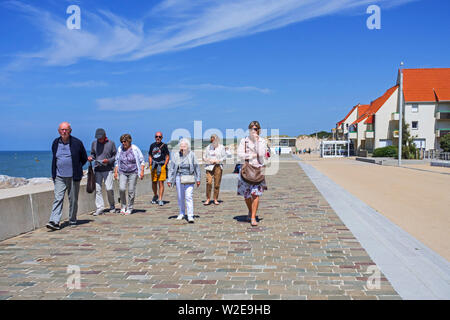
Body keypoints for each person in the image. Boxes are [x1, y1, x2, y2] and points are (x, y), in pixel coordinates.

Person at [46, 122, 88, 231]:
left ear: (70, 131)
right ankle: (54, 221)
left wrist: (77, 167)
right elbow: (55, 158)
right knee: (58, 198)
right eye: (62, 130)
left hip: (73, 177)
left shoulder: (77, 143)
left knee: (73, 200)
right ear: (59, 131)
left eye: (66, 130)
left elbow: (83, 158)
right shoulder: (55, 142)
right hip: (59, 176)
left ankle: (72, 219)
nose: (64, 132)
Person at [237, 121, 268, 227]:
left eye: (255, 129)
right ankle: (250, 210)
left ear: (258, 130)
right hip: (246, 169)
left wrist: (256, 141)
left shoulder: (262, 141)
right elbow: (240, 154)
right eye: (251, 129)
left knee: (255, 194)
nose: (253, 131)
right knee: (246, 195)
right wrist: (251, 155)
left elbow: (261, 154)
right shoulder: (244, 141)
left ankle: (253, 217)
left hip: (258, 170)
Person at [167, 138, 201, 223]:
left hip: (189, 177)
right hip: (179, 177)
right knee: (180, 197)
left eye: (184, 146)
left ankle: (190, 215)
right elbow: (171, 168)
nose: (182, 148)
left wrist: (198, 178)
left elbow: (197, 167)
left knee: (189, 196)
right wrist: (170, 179)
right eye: (181, 146)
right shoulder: (176, 155)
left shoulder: (192, 154)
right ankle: (181, 213)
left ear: (188, 147)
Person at [88, 128, 117, 216]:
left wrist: (108, 161)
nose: (99, 140)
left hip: (108, 169)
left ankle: (112, 205)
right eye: (98, 138)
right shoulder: (94, 143)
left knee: (109, 188)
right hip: (97, 169)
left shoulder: (111, 143)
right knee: (98, 190)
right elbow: (93, 154)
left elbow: (115, 156)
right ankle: (100, 207)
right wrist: (90, 158)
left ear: (104, 136)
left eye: (100, 138)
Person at [114, 134, 145, 215]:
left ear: (129, 141)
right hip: (122, 172)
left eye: (125, 141)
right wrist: (115, 172)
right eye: (122, 142)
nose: (123, 143)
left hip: (133, 172)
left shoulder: (135, 148)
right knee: (122, 189)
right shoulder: (120, 149)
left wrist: (142, 171)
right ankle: (123, 206)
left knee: (131, 190)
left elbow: (142, 160)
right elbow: (117, 161)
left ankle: (130, 207)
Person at [203, 134, 226, 205]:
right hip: (209, 166)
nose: (213, 141)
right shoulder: (208, 147)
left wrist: (218, 161)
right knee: (209, 182)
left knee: (217, 184)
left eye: (215, 140)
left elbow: (224, 157)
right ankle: (208, 198)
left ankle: (215, 198)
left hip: (218, 166)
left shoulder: (221, 147)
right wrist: (208, 160)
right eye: (212, 140)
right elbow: (204, 157)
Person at [148, 131, 170, 206]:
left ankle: (160, 198)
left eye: (159, 137)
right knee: (154, 182)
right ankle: (155, 195)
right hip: (154, 166)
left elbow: (167, 156)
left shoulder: (164, 146)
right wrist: (150, 163)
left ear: (162, 138)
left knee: (161, 182)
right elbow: (150, 155)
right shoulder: (152, 145)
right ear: (155, 137)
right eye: (157, 136)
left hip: (161, 166)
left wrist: (165, 165)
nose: (158, 138)